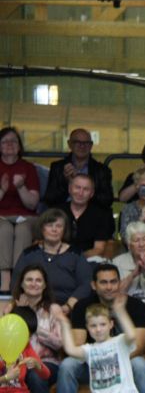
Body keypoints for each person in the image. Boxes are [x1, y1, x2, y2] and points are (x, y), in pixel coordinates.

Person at [56, 263, 145, 393]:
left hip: (126, 361)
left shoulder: (136, 306)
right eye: (103, 282)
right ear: (94, 285)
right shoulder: (82, 306)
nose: (109, 287)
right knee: (67, 365)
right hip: (93, 363)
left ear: (119, 283)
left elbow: (138, 346)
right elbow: (78, 344)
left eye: (113, 281)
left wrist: (115, 361)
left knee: (140, 365)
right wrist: (102, 359)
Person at [12, 208, 93, 312]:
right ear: (42, 229)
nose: (54, 229)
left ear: (64, 230)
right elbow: (16, 282)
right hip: (32, 307)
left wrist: (68, 306)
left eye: (59, 226)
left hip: (67, 308)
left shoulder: (76, 254)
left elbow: (86, 284)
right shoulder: (29, 254)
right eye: (50, 225)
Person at [6, 264, 64, 393]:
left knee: (34, 374)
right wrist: (18, 313)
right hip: (17, 363)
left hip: (46, 363)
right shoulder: (11, 308)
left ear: (44, 285)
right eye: (29, 280)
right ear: (21, 284)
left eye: (38, 280)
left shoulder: (53, 309)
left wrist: (31, 323)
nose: (33, 283)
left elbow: (59, 344)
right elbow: (5, 342)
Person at [0, 127, 40, 294]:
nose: (9, 144)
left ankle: (18, 279)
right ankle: (5, 281)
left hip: (26, 216)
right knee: (4, 229)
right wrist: (2, 190)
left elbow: (32, 204)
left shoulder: (28, 168)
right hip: (1, 217)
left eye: (14, 141)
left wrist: (21, 187)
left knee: (23, 229)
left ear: (19, 146)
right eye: (5, 141)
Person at [45, 128, 114, 210]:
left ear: (91, 145)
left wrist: (87, 191)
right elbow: (50, 199)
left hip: (92, 213)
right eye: (77, 142)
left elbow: (107, 200)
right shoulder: (57, 167)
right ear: (69, 144)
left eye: (86, 143)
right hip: (62, 213)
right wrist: (67, 182)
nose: (82, 146)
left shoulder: (102, 170)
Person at [62, 174, 115, 260]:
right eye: (77, 187)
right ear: (70, 189)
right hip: (58, 258)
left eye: (86, 189)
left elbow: (99, 249)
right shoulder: (56, 211)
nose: (81, 193)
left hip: (87, 259)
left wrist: (76, 259)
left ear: (92, 193)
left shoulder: (101, 215)